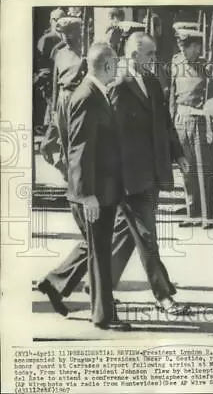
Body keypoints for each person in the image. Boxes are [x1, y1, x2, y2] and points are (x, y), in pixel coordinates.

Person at [38, 32, 191, 318]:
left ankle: (62, 283)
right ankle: (164, 296)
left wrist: (178, 153)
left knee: (111, 238)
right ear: (133, 55)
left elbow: (165, 122)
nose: (154, 59)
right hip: (126, 176)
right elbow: (107, 136)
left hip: (146, 173)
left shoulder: (153, 82)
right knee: (146, 237)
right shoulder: (117, 84)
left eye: (155, 53)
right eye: (149, 54)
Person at [40, 42, 130, 331]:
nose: (118, 67)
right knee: (101, 251)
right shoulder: (88, 96)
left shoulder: (95, 93)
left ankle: (55, 283)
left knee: (96, 247)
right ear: (106, 66)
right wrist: (87, 195)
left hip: (101, 189)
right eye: (115, 63)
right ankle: (103, 316)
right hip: (94, 192)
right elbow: (80, 149)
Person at [169, 29, 213, 229]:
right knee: (187, 170)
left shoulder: (206, 66)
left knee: (204, 169)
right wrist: (171, 121)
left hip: (200, 121)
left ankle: (208, 215)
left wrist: (211, 124)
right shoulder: (176, 62)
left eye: (185, 47)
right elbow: (172, 92)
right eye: (180, 47)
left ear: (196, 47)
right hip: (181, 120)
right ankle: (193, 213)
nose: (182, 51)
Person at [48, 16, 87, 179]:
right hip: (63, 98)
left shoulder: (85, 53)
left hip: (79, 98)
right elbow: (55, 83)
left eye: (69, 32)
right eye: (62, 33)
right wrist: (53, 110)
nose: (66, 36)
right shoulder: (59, 54)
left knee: (78, 140)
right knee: (64, 140)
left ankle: (79, 177)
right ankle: (69, 175)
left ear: (78, 33)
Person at [35, 8, 65, 143]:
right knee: (54, 107)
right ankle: (51, 140)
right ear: (51, 21)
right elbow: (42, 62)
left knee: (56, 109)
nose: (60, 23)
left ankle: (52, 136)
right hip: (49, 80)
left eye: (63, 19)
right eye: (57, 19)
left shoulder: (64, 37)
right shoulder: (47, 39)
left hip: (60, 78)